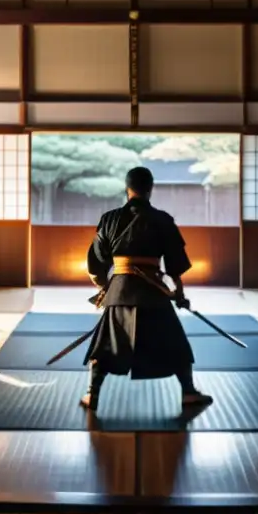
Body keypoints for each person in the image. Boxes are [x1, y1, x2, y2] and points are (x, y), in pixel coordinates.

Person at [80, 166, 213, 412]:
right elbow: (175, 264)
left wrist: (104, 288)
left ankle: (92, 394)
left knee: (106, 345)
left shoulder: (109, 219)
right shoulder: (163, 220)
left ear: (127, 189)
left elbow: (96, 262)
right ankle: (188, 392)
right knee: (175, 344)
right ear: (150, 189)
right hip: (154, 294)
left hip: (119, 292)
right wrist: (180, 295)